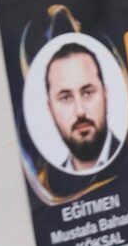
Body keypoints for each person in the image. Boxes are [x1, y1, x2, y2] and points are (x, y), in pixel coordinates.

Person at [42, 42, 119, 174]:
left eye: (88, 93)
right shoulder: (52, 186)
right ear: (50, 109)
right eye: (66, 98)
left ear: (105, 95)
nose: (80, 111)